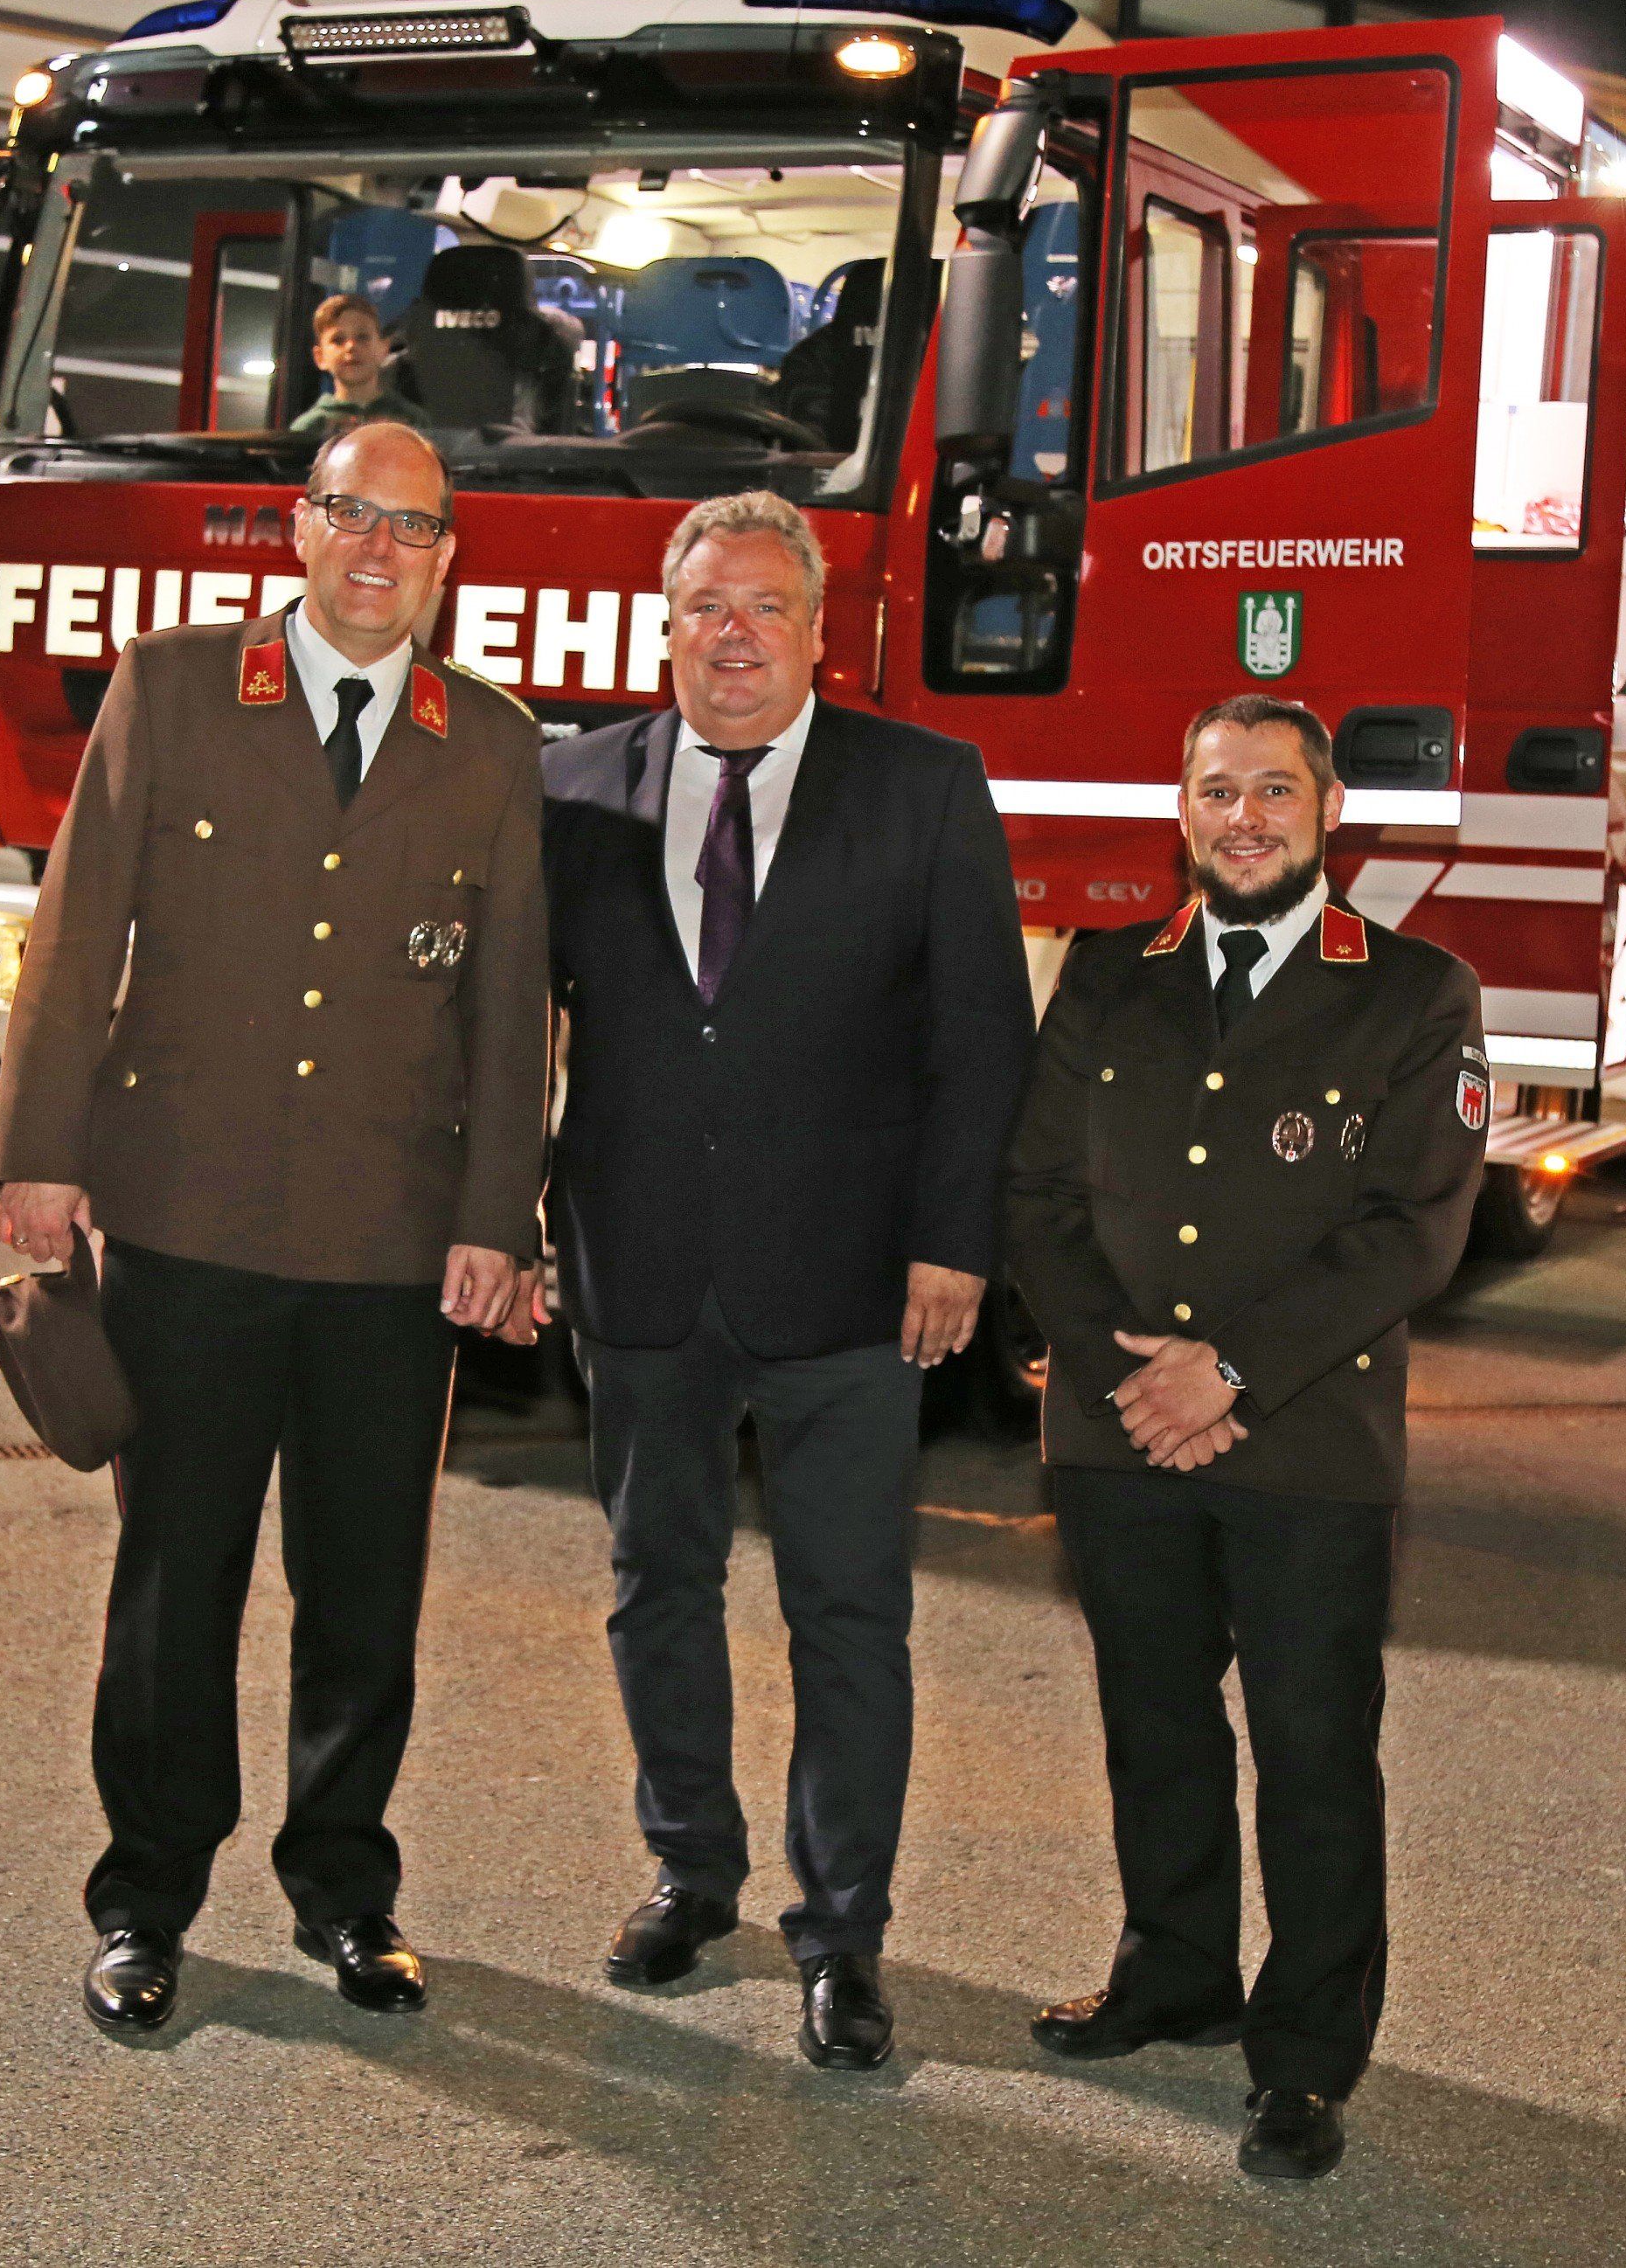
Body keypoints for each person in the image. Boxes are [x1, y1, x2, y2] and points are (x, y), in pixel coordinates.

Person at [0, 419, 548, 2033]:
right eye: (356, 518)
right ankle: (146, 1897)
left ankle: (346, 1890)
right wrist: (40, 1145)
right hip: (189, 1217)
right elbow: (77, 926)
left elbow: (513, 1014)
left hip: (390, 1245)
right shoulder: (172, 689)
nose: (383, 552)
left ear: (449, 558)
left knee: (365, 1588)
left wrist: (495, 1217)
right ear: (298, 530)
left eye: (417, 530)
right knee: (177, 1582)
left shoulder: (492, 743)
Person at [534, 489, 1035, 2070]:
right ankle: (691, 1872)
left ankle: (843, 1932)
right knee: (653, 1585)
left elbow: (981, 1044)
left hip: (853, 1285)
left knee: (849, 1618)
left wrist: (959, 1246)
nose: (732, 634)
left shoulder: (926, 787)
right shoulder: (571, 785)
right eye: (704, 607)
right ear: (665, 624)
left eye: (764, 606)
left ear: (822, 632)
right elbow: (505, 1019)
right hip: (641, 1273)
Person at [1004, 694, 1486, 2183]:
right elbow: (1035, 1195)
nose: (1246, 818)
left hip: (1306, 1446)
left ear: (1329, 809)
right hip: (1114, 1434)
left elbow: (1415, 1231)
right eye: (1218, 790)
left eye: (1275, 790)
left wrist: (1231, 1374)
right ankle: (1176, 1971)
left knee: (1312, 1748)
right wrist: (1121, 1375)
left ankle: (1306, 2055)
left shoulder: (1416, 991)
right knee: (1154, 1722)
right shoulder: (1106, 974)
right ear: (1183, 811)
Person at [287, 294, 428, 440]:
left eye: (362, 337)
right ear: (320, 357)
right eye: (338, 340)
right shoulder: (309, 427)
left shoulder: (414, 421)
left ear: (384, 348)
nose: (351, 346)